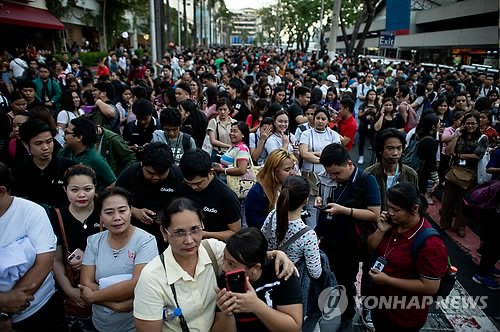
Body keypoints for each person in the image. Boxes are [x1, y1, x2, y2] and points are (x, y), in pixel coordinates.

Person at [133, 198, 296, 332]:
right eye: (179, 232)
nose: (189, 240)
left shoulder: (211, 249)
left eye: (195, 230)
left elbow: (245, 257)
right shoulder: (152, 277)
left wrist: (277, 254)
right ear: (164, 233)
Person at [314, 143, 381, 330]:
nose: (333, 177)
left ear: (350, 164)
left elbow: (374, 214)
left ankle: (349, 317)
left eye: (337, 173)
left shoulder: (367, 180)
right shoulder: (328, 179)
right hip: (331, 239)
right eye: (330, 174)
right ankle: (334, 313)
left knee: (353, 281)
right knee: (334, 279)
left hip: (354, 242)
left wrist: (345, 211)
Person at [367, 182, 448, 331]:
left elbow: (430, 286)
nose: (390, 213)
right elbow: (371, 246)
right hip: (380, 305)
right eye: (389, 207)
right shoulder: (392, 224)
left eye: (396, 210)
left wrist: (388, 280)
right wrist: (380, 230)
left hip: (403, 316)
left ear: (415, 209)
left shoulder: (430, 244)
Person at [79, 186, 158, 332]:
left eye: (122, 211)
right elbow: (86, 282)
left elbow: (136, 283)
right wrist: (115, 305)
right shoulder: (94, 241)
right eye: (109, 212)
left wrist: (93, 297)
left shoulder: (146, 241)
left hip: (134, 325)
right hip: (100, 323)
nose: (117, 217)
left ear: (130, 212)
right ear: (101, 215)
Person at [0, 161, 67, 332]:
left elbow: (44, 262)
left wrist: (8, 308)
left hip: (40, 309)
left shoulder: (32, 212)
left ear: (1, 191)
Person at [212, 228, 303, 332]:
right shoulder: (226, 282)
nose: (224, 267)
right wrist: (226, 313)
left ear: (255, 268)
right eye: (224, 258)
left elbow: (293, 326)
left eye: (232, 264)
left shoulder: (280, 273)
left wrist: (256, 306)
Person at [51, 165, 101, 331]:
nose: (81, 195)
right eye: (74, 189)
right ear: (65, 189)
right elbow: (56, 260)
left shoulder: (105, 211)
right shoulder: (57, 215)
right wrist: (70, 291)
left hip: (103, 284)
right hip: (72, 286)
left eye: (87, 189)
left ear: (95, 187)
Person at [116, 142, 184, 251]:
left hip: (168, 233)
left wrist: (169, 216)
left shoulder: (179, 176)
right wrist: (134, 211)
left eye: (161, 174)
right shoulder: (130, 174)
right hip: (135, 230)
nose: (155, 177)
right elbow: (114, 200)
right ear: (142, 164)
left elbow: (188, 205)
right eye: (150, 173)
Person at [261, 175, 321, 278]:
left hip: (268, 274)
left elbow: (262, 238)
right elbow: (315, 273)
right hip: (291, 282)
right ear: (306, 201)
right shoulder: (308, 235)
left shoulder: (272, 215)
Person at [441, 112, 488, 237]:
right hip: (454, 170)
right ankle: (445, 223)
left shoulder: (482, 138)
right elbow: (449, 151)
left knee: (465, 203)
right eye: (467, 123)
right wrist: (456, 136)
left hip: (471, 173)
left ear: (478, 124)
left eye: (473, 123)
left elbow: (478, 155)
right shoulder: (459, 135)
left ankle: (460, 226)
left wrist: (459, 155)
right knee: (448, 200)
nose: (470, 126)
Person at [179, 149, 242, 241]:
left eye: (198, 183)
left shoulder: (226, 196)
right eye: (189, 183)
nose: (193, 187)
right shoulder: (183, 187)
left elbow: (235, 233)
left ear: (211, 172)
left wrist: (205, 235)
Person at [12, 119, 76, 207]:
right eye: (38, 143)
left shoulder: (70, 167)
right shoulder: (20, 172)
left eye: (49, 141)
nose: (45, 147)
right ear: (26, 144)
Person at [299, 106, 341, 227]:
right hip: (310, 174)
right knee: (311, 205)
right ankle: (312, 232)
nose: (320, 121)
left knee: (327, 203)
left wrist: (314, 154)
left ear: (328, 120)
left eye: (323, 119)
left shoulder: (333, 135)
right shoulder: (306, 134)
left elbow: (335, 155)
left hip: (328, 175)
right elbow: (304, 154)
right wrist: (324, 158)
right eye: (318, 118)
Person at [366, 128, 419, 211]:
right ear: (380, 150)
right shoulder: (369, 174)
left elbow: (415, 201)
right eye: (390, 148)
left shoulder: (410, 174)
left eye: (399, 148)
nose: (395, 153)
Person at [58, 117, 117, 190]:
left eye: (67, 133)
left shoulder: (95, 159)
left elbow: (113, 183)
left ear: (79, 137)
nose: (63, 136)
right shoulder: (62, 152)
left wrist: (96, 196)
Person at [245, 149, 297, 228]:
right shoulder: (257, 192)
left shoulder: (291, 186)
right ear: (274, 170)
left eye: (293, 168)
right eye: (287, 170)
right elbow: (253, 222)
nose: (292, 172)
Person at [357, 89, 379, 165]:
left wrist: (375, 112)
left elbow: (379, 117)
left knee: (374, 142)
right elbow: (359, 116)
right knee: (361, 141)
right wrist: (365, 112)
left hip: (373, 126)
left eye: (374, 94)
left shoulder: (377, 106)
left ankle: (374, 158)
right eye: (371, 94)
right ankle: (361, 156)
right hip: (363, 125)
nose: (372, 96)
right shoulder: (363, 105)